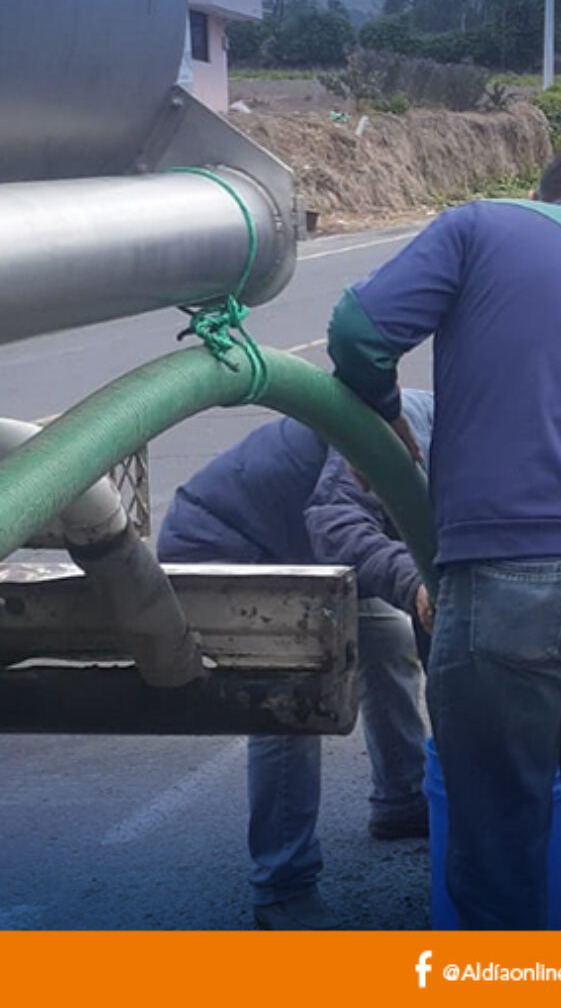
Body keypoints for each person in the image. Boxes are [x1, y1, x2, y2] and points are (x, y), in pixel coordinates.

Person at [327, 148, 561, 931]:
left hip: (512, 572)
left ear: (539, 197)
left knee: (499, 834)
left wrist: (384, 415)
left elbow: (357, 331)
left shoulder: (482, 224)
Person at [155, 390, 436, 931]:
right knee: (294, 689)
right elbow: (335, 526)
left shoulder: (469, 446)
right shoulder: (398, 433)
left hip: (294, 550)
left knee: (386, 637)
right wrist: (419, 588)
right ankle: (282, 886)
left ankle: (402, 799)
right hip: (222, 547)